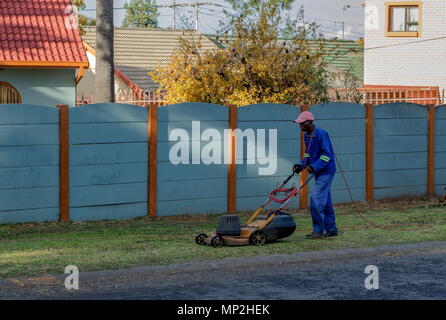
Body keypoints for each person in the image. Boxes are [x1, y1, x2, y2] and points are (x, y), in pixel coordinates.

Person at [292, 111, 338, 239]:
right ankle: (331, 229)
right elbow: (308, 154)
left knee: (316, 198)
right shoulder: (307, 136)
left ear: (310, 122)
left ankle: (319, 230)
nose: (300, 125)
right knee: (326, 201)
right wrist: (301, 165)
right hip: (318, 171)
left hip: (326, 170)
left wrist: (315, 166)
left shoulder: (321, 134)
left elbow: (327, 155)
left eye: (302, 123)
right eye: (299, 123)